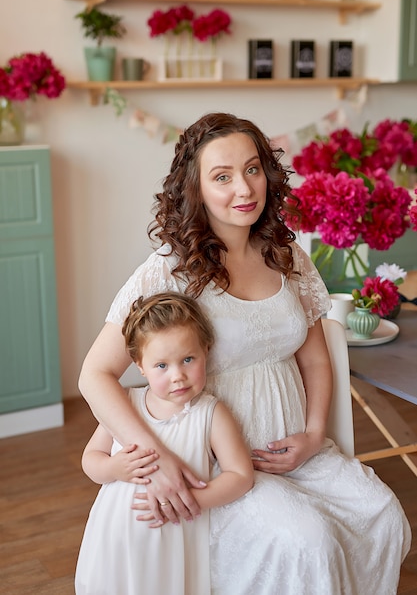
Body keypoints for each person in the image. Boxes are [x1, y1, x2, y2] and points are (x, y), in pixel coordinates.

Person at [79, 112, 411, 594]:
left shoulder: (287, 255)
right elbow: (95, 374)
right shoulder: (169, 270)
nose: (244, 188)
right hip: (220, 464)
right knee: (307, 543)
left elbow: (315, 358)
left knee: (384, 515)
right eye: (222, 176)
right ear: (196, 188)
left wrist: (315, 435)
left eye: (252, 169)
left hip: (297, 450)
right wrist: (156, 457)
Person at [75, 291, 254, 595]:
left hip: (174, 540)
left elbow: (240, 476)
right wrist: (113, 468)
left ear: (205, 351)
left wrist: (194, 500)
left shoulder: (210, 414)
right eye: (162, 366)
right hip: (116, 539)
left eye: (188, 359)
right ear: (139, 365)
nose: (178, 376)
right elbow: (90, 459)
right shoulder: (125, 406)